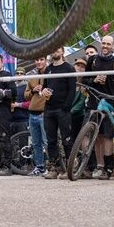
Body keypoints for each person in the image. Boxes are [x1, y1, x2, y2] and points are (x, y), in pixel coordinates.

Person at [85, 36, 114, 180]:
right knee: (97, 136)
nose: (105, 46)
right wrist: (93, 80)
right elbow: (84, 80)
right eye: (103, 43)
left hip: (109, 104)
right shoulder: (92, 60)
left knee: (108, 136)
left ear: (113, 46)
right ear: (100, 44)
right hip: (94, 103)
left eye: (108, 44)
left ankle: (109, 166)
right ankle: (99, 165)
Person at [42, 47, 76, 180]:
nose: (54, 51)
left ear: (62, 51)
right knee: (51, 140)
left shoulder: (69, 68)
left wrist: (66, 107)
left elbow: (72, 90)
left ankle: (70, 166)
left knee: (66, 139)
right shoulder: (48, 69)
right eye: (53, 49)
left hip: (63, 109)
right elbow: (44, 86)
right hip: (49, 108)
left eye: (57, 49)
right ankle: (53, 167)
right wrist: (43, 92)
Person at [24, 56, 48, 177]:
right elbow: (26, 95)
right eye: (37, 60)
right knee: (36, 143)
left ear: (46, 60)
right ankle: (39, 167)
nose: (39, 62)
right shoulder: (32, 76)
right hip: (32, 113)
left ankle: (51, 166)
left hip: (44, 113)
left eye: (41, 60)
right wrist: (33, 90)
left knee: (47, 142)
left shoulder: (50, 74)